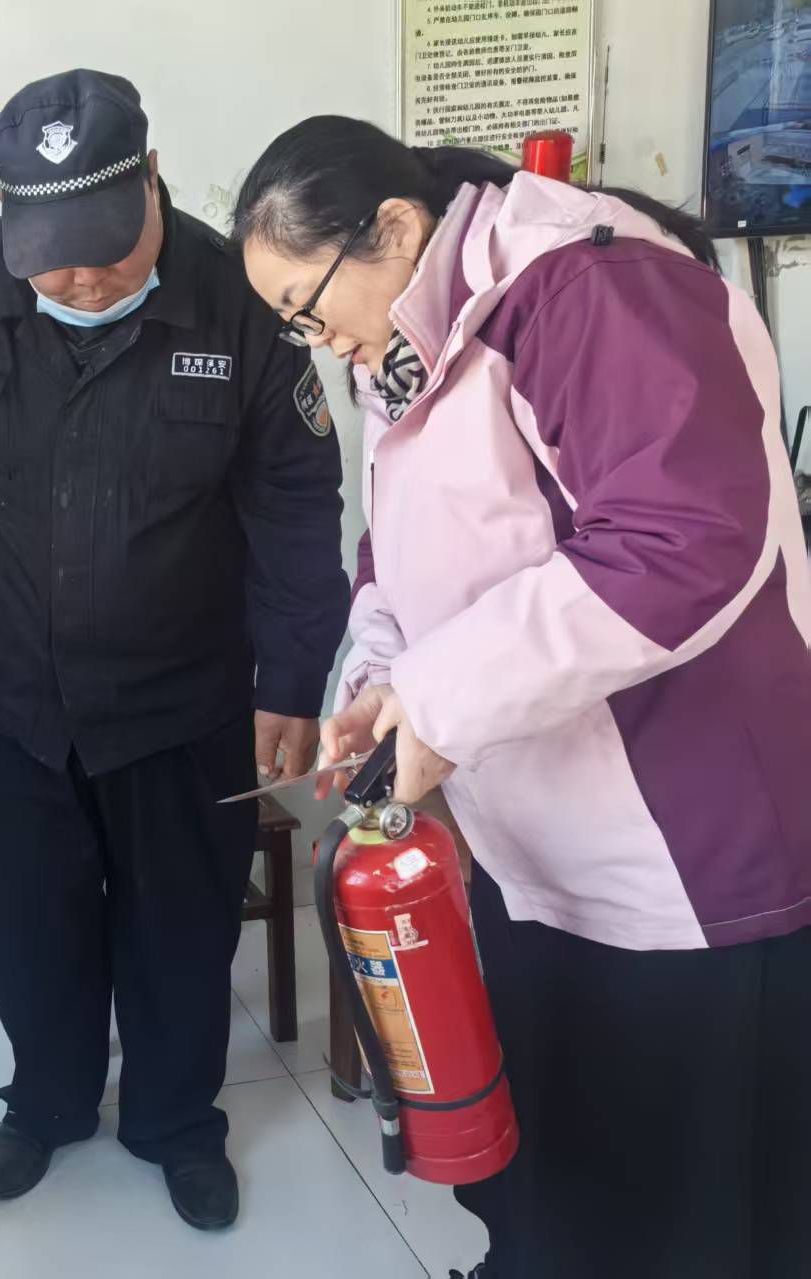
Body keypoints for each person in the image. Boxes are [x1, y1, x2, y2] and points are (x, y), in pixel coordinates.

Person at [234, 115, 811, 1278]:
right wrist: (379, 682)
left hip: (678, 844)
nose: (313, 339)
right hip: (530, 833)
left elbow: (679, 539)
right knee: (556, 1152)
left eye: (306, 306)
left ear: (395, 227)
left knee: (679, 1194)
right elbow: (396, 547)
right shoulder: (403, 334)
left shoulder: (586, 289)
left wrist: (439, 702)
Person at [0, 70, 348, 1230]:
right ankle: (46, 1102)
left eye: (103, 248)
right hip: (5, 697)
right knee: (27, 924)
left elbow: (294, 504)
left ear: (151, 184)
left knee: (179, 928)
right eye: (50, 258)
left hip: (183, 699)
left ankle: (175, 1120)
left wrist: (291, 680)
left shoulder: (238, 299)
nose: (80, 279)